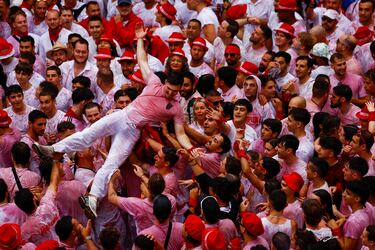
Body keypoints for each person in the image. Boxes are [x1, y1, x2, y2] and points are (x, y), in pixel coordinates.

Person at [33, 23, 195, 220]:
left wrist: (192, 149)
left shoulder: (176, 108)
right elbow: (142, 60)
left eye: (173, 91)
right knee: (87, 135)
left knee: (111, 163)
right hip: (122, 115)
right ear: (166, 82)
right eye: (168, 88)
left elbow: (180, 134)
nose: (168, 93)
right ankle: (54, 149)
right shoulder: (154, 82)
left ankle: (92, 198)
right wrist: (141, 39)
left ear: (179, 91)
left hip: (133, 131)